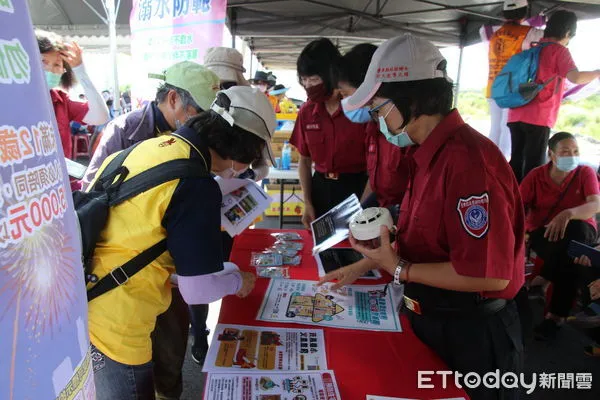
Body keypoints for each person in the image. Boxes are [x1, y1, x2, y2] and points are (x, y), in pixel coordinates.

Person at [321, 34, 525, 400]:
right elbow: (430, 239)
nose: (377, 118)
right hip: (431, 318)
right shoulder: (428, 154)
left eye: (379, 108)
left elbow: (491, 275)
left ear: (410, 99)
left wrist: (400, 269)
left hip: (471, 335)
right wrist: (370, 261)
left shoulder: (468, 163)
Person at [88, 86, 274, 400]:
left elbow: (138, 236)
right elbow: (198, 290)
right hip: (118, 323)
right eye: (250, 164)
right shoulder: (196, 183)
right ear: (242, 148)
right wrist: (234, 278)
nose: (245, 173)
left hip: (87, 298)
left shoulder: (156, 146)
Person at [82, 60, 219, 400]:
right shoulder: (124, 132)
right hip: (123, 279)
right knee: (129, 364)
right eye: (197, 112)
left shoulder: (192, 144)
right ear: (173, 98)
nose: (201, 124)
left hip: (168, 271)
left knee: (170, 350)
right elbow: (92, 197)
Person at [521, 132, 600, 340]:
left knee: (576, 232)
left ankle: (545, 279)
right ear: (551, 154)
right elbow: (517, 206)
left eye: (575, 151)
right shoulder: (536, 176)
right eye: (565, 152)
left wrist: (569, 213)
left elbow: (595, 204)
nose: (571, 156)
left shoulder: (585, 173)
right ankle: (557, 316)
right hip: (544, 233)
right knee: (573, 257)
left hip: (581, 232)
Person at [507, 10, 600, 182]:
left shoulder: (530, 49)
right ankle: (526, 206)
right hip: (538, 116)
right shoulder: (558, 51)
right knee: (533, 167)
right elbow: (576, 77)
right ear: (567, 33)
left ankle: (509, 201)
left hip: (515, 113)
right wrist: (596, 72)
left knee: (516, 162)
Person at [290, 38, 368, 229]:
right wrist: (307, 201)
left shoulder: (359, 110)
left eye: (314, 79)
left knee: (356, 247)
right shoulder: (307, 112)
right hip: (320, 189)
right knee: (322, 251)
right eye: (304, 80)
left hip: (356, 188)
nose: (308, 85)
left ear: (332, 75)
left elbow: (376, 166)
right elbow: (304, 160)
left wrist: (364, 207)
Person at [339, 43, 408, 213]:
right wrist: (359, 213)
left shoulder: (406, 132)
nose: (345, 102)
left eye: (346, 94)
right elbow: (375, 180)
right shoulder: (374, 126)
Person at [36, 30, 109, 160]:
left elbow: (100, 116)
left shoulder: (62, 101)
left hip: (58, 177)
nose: (49, 69)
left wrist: (80, 69)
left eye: (57, 65)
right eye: (43, 61)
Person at [484, 0, 543, 159]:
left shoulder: (494, 34)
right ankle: (501, 167)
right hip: (512, 89)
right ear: (525, 12)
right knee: (507, 130)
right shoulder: (531, 33)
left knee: (495, 129)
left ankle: (489, 164)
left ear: (503, 14)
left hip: (493, 87)